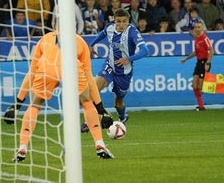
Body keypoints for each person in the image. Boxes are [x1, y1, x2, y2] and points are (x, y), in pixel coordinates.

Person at [9, 29, 114, 162]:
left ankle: (22, 147)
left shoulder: (44, 38)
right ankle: (99, 144)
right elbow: (89, 77)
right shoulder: (80, 41)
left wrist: (16, 105)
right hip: (72, 68)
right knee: (87, 102)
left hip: (48, 69)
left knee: (35, 104)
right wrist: (101, 109)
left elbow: (31, 72)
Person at [81, 9, 149, 131]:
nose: (121, 24)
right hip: (110, 66)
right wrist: (91, 45)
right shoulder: (110, 28)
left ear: (128, 21)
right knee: (93, 91)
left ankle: (122, 117)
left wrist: (128, 59)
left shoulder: (132, 32)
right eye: (119, 21)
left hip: (124, 73)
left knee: (118, 103)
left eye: (124, 21)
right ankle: (89, 122)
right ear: (114, 21)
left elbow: (145, 50)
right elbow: (103, 33)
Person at [179, 21, 213, 111]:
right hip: (199, 63)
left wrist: (208, 63)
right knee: (194, 85)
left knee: (201, 87)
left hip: (204, 62)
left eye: (199, 27)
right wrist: (186, 59)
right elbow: (196, 52)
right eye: (196, 27)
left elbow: (211, 51)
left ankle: (223, 87)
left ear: (202, 28)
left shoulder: (205, 38)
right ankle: (201, 106)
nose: (197, 29)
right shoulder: (196, 39)